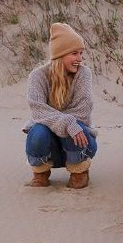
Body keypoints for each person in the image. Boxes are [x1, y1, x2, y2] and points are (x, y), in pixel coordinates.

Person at [22, 22, 98, 189]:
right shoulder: (38, 76)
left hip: (79, 143)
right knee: (38, 131)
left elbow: (83, 111)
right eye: (74, 53)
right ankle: (40, 173)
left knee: (75, 126)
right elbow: (38, 110)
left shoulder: (83, 74)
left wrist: (67, 123)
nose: (79, 59)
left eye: (81, 53)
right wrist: (66, 122)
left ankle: (79, 172)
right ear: (59, 55)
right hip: (51, 147)